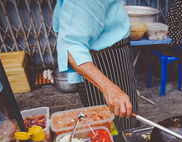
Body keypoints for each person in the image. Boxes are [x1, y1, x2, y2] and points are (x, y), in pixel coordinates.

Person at [53, 0, 137, 130]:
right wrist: (109, 88)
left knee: (126, 118)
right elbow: (72, 48)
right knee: (111, 126)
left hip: (116, 57)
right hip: (102, 63)